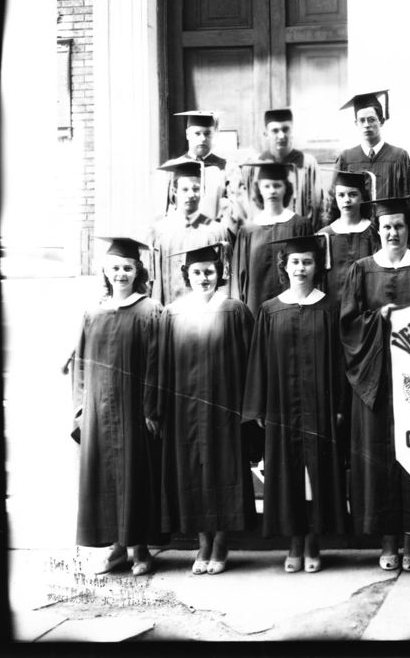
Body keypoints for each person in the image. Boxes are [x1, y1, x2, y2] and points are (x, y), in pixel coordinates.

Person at [340, 196, 410, 572]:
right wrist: (378, 318)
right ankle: (388, 542)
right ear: (378, 230)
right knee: (381, 459)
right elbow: (349, 325)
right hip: (377, 380)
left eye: (400, 226)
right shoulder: (362, 269)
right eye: (386, 226)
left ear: (409, 229)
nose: (393, 232)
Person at [243, 234, 347, 573]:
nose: (301, 268)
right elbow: (258, 360)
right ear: (284, 267)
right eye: (295, 262)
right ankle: (294, 541)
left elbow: (341, 361)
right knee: (287, 474)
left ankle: (314, 540)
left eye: (307, 262)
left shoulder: (330, 307)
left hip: (320, 405)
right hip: (281, 407)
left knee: (317, 473)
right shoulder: (270, 310)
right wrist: (258, 407)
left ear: (317, 266)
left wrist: (340, 404)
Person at [158, 243, 256, 575]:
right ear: (187, 275)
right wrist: (157, 408)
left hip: (226, 410)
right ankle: (202, 542)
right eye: (197, 272)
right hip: (184, 411)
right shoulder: (172, 313)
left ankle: (221, 543)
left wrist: (250, 408)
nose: (203, 278)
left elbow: (251, 361)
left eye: (209, 272)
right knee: (193, 473)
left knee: (225, 471)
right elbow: (161, 365)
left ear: (220, 274)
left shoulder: (235, 309)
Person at [72, 237, 162, 576]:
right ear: (105, 272)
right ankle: (115, 548)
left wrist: (151, 408)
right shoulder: (92, 313)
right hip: (98, 410)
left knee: (134, 475)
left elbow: (157, 363)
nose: (121, 273)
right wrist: (80, 408)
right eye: (115, 268)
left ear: (137, 271)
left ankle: (140, 548)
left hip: (133, 409)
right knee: (105, 476)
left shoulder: (150, 310)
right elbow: (81, 363)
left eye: (127, 268)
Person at [231, 161, 315, 316]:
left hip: (295, 309)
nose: (272, 191)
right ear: (259, 190)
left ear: (286, 189)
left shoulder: (300, 225)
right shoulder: (247, 231)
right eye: (266, 186)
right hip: (255, 311)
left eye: (277, 186)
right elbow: (238, 279)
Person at [150, 160, 230, 306]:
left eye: (196, 189)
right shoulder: (160, 231)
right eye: (185, 189)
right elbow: (154, 282)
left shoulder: (216, 231)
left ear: (203, 191)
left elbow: (225, 281)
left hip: (208, 315)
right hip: (170, 313)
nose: (191, 195)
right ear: (174, 192)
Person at [335, 90, 410, 201]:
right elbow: (336, 199)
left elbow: (409, 198)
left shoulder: (399, 156)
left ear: (381, 121)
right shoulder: (346, 158)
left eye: (371, 120)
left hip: (391, 218)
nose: (366, 125)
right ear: (356, 123)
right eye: (361, 120)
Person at [317, 170, 379, 302]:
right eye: (341, 195)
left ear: (362, 197)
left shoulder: (374, 233)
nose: (347, 200)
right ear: (335, 198)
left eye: (353, 194)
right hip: (333, 307)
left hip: (368, 305)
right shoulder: (324, 236)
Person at [257, 108, 324, 226]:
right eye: (275, 131)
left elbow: (317, 204)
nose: (281, 135)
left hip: (299, 234)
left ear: (292, 131)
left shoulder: (307, 163)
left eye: (285, 129)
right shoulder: (257, 165)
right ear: (266, 134)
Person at [163, 111, 230, 223]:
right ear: (187, 134)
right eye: (197, 133)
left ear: (214, 135)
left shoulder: (226, 167)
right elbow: (167, 208)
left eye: (208, 133)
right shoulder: (173, 168)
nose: (203, 138)